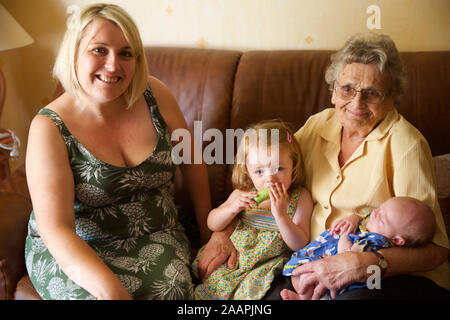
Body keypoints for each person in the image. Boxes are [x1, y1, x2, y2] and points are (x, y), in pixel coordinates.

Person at [198, 32, 450, 300]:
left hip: (386, 277)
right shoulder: (319, 125)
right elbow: (261, 179)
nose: (356, 103)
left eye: (372, 93)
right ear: (333, 91)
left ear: (391, 98)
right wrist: (222, 233)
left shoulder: (405, 145)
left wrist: (369, 263)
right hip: (312, 264)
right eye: (347, 89)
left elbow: (435, 249)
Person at [24, 3, 212, 300]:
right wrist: (112, 292)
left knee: (172, 292)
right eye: (99, 50)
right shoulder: (49, 127)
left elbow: (192, 161)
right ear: (74, 52)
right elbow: (57, 229)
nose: (113, 65)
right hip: (79, 247)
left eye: (126, 53)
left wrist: (208, 235)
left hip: (155, 236)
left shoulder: (156, 95)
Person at [192, 120, 313, 299]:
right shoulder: (244, 193)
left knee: (250, 293)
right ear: (247, 171)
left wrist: (281, 216)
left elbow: (300, 243)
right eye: (259, 172)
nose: (270, 178)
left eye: (279, 168)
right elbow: (212, 222)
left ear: (293, 167)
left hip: (266, 267)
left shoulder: (300, 197)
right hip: (235, 263)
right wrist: (232, 209)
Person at [281, 196, 436, 300]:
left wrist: (344, 236)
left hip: (337, 274)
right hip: (319, 259)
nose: (375, 213)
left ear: (397, 240)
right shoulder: (375, 223)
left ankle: (303, 298)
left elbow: (347, 258)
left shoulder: (375, 242)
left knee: (311, 282)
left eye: (382, 217)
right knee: (300, 276)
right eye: (380, 208)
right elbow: (364, 218)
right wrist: (353, 219)